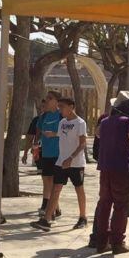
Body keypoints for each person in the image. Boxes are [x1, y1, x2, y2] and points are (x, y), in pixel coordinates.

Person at [91, 92, 129, 254]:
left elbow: (97, 134)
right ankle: (117, 243)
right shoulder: (127, 122)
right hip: (121, 168)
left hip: (104, 168)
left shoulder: (104, 122)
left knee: (104, 204)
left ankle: (101, 243)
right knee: (120, 205)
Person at [31, 98, 88, 232]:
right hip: (61, 162)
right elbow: (63, 136)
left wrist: (71, 158)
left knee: (79, 189)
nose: (60, 109)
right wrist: (53, 135)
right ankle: (47, 219)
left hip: (76, 163)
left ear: (71, 107)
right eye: (59, 106)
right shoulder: (62, 122)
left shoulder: (80, 123)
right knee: (56, 189)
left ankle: (83, 217)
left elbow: (82, 143)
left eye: (62, 106)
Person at [37, 91, 62, 219]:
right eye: (46, 98)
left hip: (57, 153)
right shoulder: (44, 116)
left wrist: (54, 134)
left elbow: (67, 133)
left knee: (52, 181)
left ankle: (47, 207)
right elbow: (39, 131)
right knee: (46, 180)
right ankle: (55, 208)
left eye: (50, 98)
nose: (46, 100)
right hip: (45, 153)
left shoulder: (62, 116)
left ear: (57, 101)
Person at [22, 100, 45, 170]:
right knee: (43, 174)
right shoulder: (36, 120)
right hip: (39, 151)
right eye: (42, 106)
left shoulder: (59, 119)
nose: (43, 108)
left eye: (45, 106)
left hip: (54, 152)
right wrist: (25, 153)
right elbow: (29, 138)